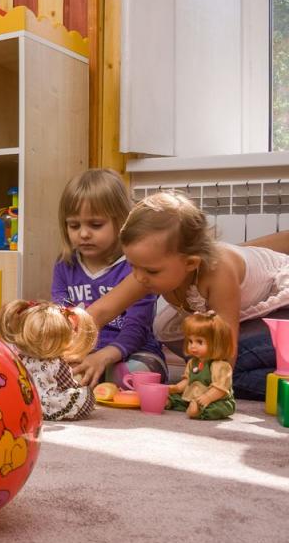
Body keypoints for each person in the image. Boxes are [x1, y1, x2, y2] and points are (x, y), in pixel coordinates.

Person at [87, 191, 289, 400]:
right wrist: (73, 345)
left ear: (191, 263)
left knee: (222, 374)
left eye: (151, 271)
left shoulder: (219, 272)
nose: (138, 277)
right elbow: (101, 311)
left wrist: (208, 390)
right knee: (197, 361)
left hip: (281, 313)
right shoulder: (148, 267)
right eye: (132, 266)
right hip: (250, 319)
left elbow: (225, 345)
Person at [51, 169, 166, 388]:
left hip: (130, 351)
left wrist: (104, 356)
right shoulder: (65, 264)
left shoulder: (136, 265)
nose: (83, 234)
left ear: (122, 222)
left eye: (95, 225)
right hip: (81, 351)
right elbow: (62, 321)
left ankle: (96, 376)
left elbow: (136, 328)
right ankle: (90, 376)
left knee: (140, 370)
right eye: (74, 225)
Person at [0, 299, 97, 421]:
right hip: (48, 404)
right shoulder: (56, 363)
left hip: (22, 401)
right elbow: (67, 384)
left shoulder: (17, 358)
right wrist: (77, 388)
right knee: (85, 395)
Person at [167, 312, 236, 420]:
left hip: (215, 399)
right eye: (190, 341)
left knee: (218, 408)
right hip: (193, 396)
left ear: (216, 343)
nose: (193, 346)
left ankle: (198, 411)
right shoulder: (192, 362)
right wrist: (176, 388)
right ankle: (172, 402)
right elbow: (188, 381)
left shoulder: (220, 366)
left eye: (199, 342)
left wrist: (207, 397)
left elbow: (220, 389)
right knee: (176, 397)